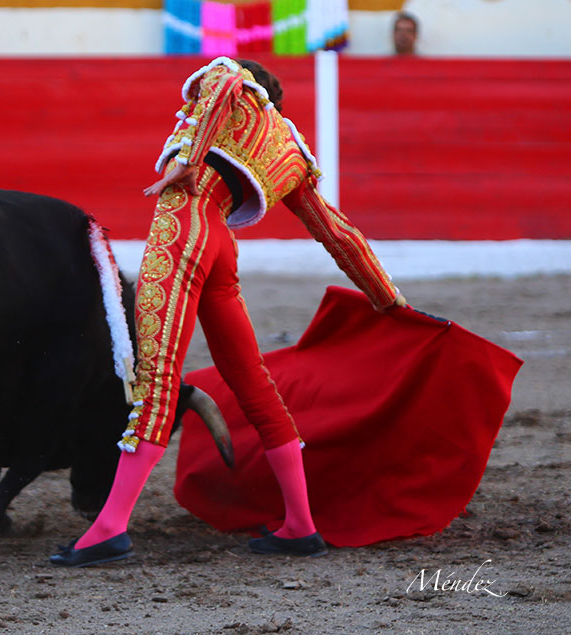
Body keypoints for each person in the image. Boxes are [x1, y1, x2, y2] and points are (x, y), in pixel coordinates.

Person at [49, 56, 406, 567]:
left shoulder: (231, 83)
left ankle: (109, 528)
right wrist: (387, 298)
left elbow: (225, 81)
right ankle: (300, 524)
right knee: (255, 383)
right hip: (222, 248)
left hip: (184, 224)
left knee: (158, 379)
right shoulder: (290, 151)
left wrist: (191, 159)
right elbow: (337, 233)